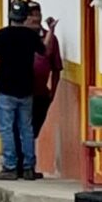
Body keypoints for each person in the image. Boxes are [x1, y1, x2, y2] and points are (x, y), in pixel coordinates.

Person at [0, 3, 43, 180]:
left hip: (6, 88)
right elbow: (43, 51)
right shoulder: (31, 36)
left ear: (11, 16)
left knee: (6, 129)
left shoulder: (1, 34)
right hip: (26, 88)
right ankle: (28, 168)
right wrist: (49, 32)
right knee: (26, 129)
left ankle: (10, 167)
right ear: (25, 17)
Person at [30, 9, 63, 144]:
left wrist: (52, 92)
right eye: (31, 15)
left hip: (40, 93)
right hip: (21, 92)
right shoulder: (18, 37)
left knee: (34, 130)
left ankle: (27, 160)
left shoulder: (49, 38)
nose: (35, 18)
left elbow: (56, 68)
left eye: (37, 14)